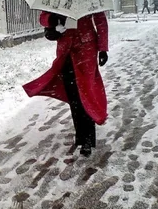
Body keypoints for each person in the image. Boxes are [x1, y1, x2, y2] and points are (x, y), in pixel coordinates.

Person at [23, 11, 108, 157]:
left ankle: (88, 138)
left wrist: (103, 48)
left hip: (86, 50)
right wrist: (53, 19)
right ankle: (80, 134)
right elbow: (43, 18)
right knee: (73, 94)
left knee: (86, 92)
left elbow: (100, 20)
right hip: (65, 50)